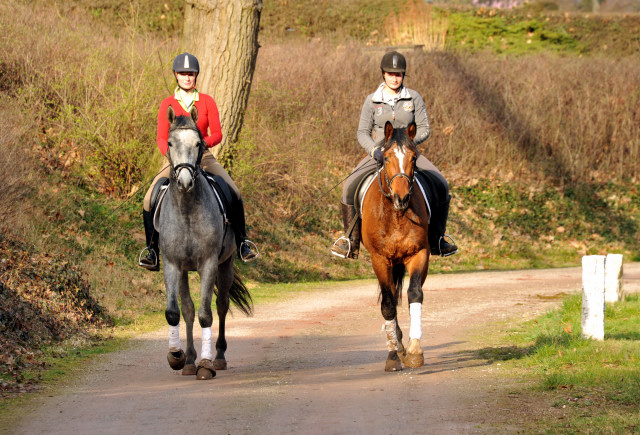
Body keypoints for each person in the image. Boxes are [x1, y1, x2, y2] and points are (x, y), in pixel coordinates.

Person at [331, 51, 458, 259]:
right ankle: (350, 241)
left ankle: (437, 239)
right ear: (383, 74)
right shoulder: (372, 100)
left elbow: (425, 128)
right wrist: (374, 150)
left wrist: (407, 146)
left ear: (403, 76)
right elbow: (362, 132)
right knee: (348, 187)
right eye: (390, 74)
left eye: (398, 74)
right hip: (380, 153)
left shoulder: (413, 97)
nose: (394, 78)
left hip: (408, 153)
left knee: (441, 184)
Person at [139, 52, 259, 271]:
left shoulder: (206, 101)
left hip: (203, 157)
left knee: (235, 192)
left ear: (196, 76)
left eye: (191, 74)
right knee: (148, 199)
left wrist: (202, 145)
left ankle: (242, 243)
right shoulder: (167, 104)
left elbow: (218, 134)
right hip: (176, 161)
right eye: (183, 74)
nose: (187, 78)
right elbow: (160, 136)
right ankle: (152, 250)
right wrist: (170, 155)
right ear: (176, 75)